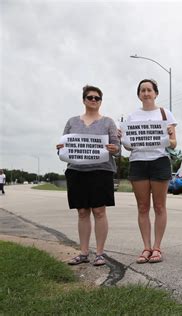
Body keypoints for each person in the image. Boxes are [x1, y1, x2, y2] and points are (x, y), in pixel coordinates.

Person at [57, 85, 120, 266]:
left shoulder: (108, 122)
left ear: (101, 101)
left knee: (99, 211)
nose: (93, 100)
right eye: (90, 97)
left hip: (101, 171)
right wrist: (60, 149)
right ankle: (83, 252)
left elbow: (116, 148)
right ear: (84, 100)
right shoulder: (72, 122)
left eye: (97, 98)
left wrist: (114, 148)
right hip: (76, 171)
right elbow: (65, 146)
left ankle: (99, 253)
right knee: (82, 212)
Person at [124, 79, 177, 264]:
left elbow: (173, 144)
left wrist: (169, 136)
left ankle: (157, 247)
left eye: (149, 90)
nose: (146, 93)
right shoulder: (132, 117)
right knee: (143, 207)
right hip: (138, 162)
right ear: (139, 94)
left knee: (160, 206)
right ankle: (146, 247)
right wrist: (121, 138)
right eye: (142, 90)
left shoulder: (165, 114)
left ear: (156, 93)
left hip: (159, 162)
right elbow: (129, 147)